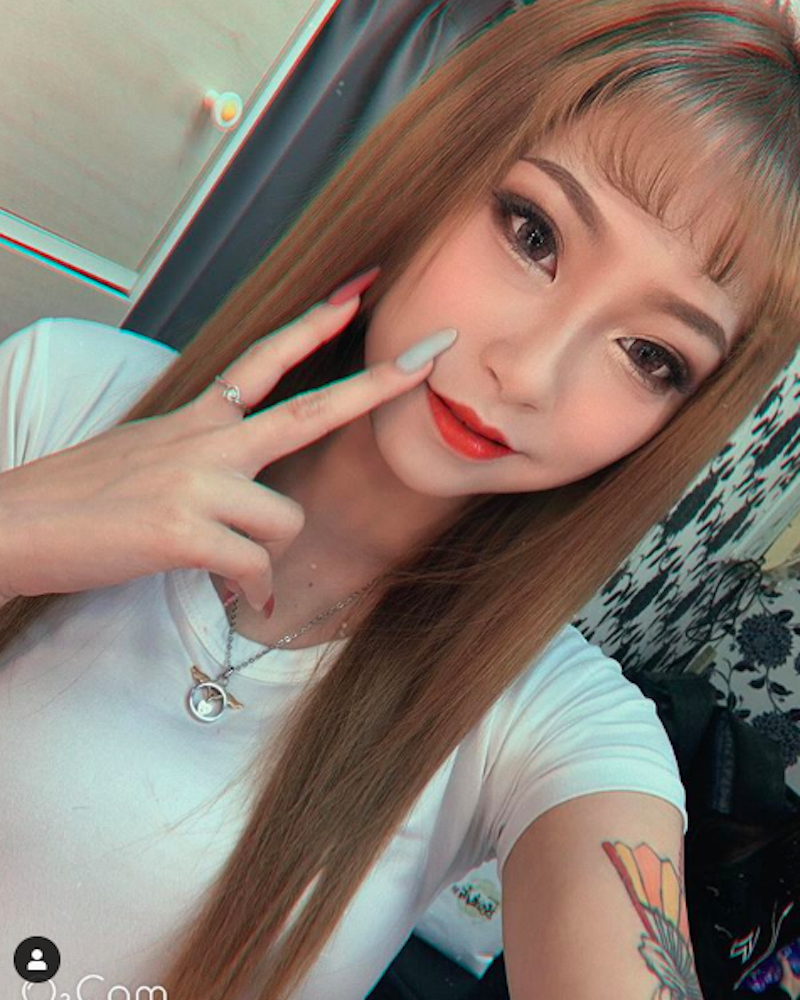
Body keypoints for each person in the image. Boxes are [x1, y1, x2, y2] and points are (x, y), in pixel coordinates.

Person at [0, 0, 797, 997]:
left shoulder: (557, 722)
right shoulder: (62, 395)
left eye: (649, 355)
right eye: (533, 234)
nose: (527, 373)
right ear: (439, 168)